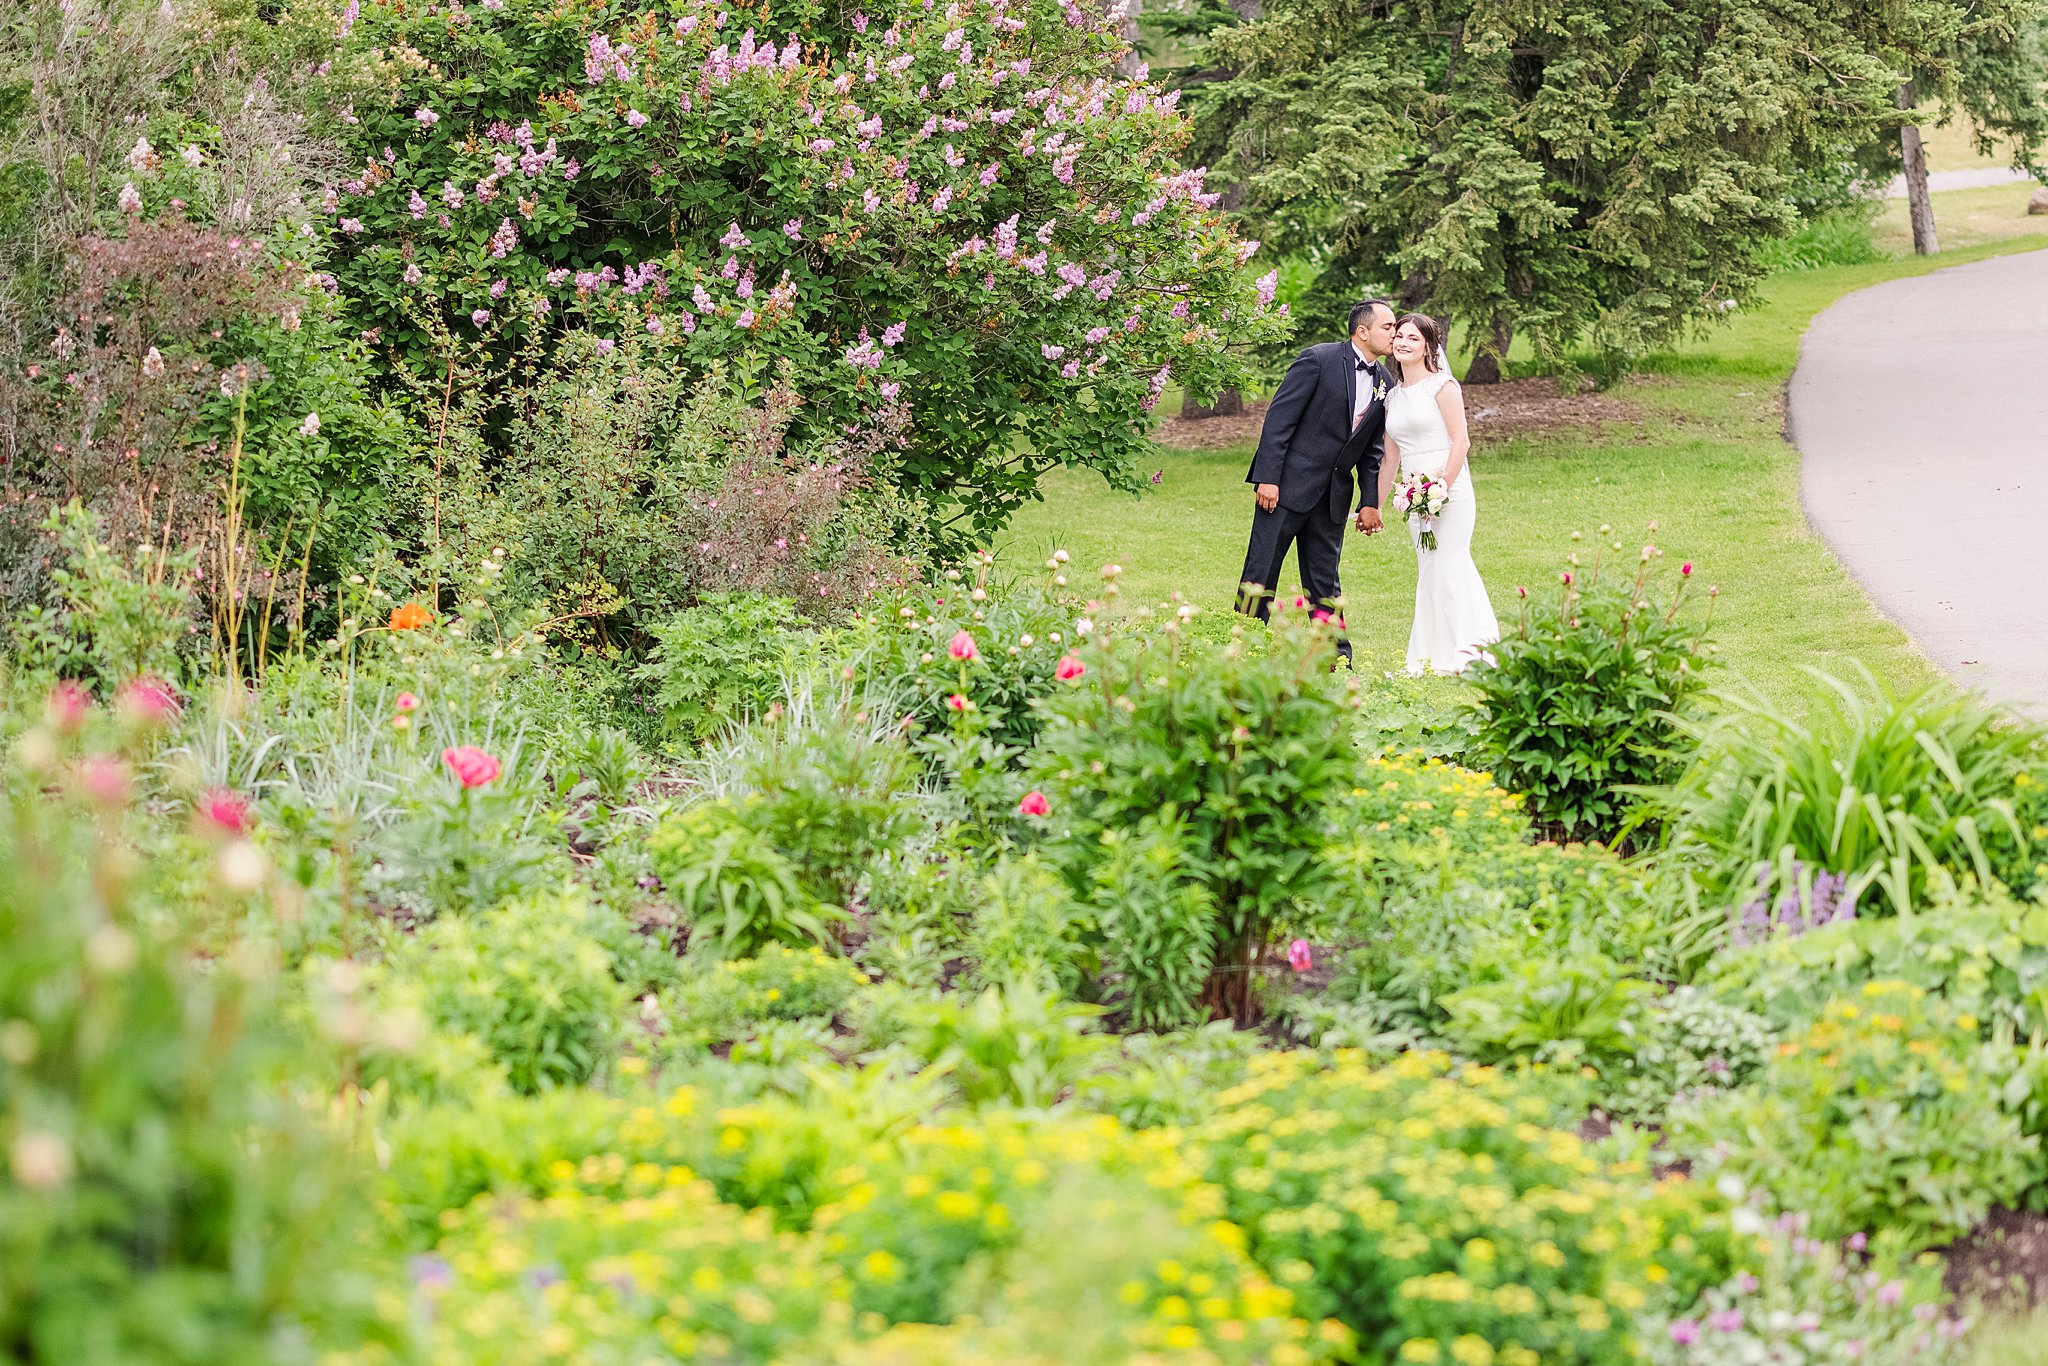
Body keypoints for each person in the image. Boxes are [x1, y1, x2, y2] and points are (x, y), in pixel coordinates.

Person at [1236, 299, 1398, 661]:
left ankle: (1336, 659)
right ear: (1362, 331)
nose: (1394, 332)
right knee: (1260, 572)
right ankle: (1244, 649)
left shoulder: (1385, 382)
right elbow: (1280, 419)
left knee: (1326, 582)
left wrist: (1369, 502)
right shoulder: (1319, 359)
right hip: (1284, 490)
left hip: (1333, 499)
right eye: (1388, 326)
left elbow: (1372, 450)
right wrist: (1267, 477)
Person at [1369, 312, 1500, 674]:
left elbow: (1461, 441)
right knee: (1429, 568)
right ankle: (1430, 655)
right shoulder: (1393, 397)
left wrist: (1440, 486)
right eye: (1399, 336)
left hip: (1450, 491)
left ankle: (1473, 650)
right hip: (1412, 494)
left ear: (1428, 345)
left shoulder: (1443, 387)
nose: (1403, 342)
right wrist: (1374, 506)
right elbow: (1390, 458)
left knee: (1451, 562)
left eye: (1413, 338)